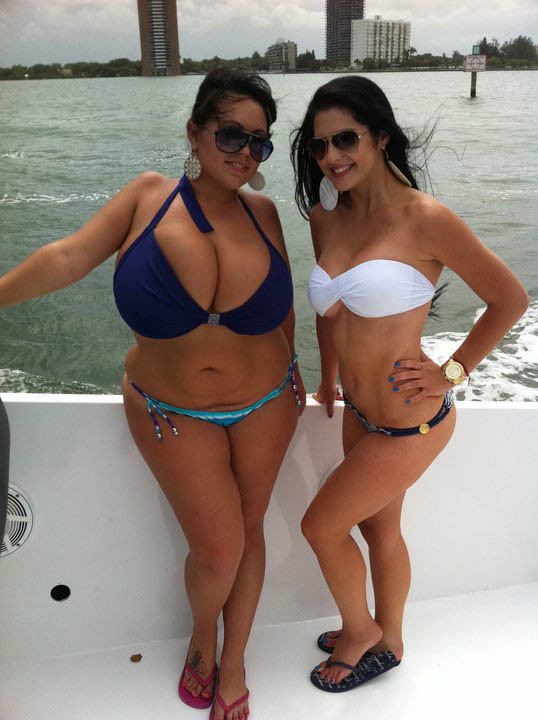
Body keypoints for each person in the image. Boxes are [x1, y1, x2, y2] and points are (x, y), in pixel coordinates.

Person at [0, 68, 305, 720]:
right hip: (172, 410)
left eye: (259, 143)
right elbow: (67, 258)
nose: (245, 153)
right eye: (231, 135)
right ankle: (203, 637)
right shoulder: (147, 197)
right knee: (218, 548)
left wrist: (300, 368)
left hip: (268, 400)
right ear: (195, 133)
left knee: (250, 532)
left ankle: (234, 660)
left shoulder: (265, 214)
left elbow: (283, 306)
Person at [290, 75, 528, 694]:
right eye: (319, 145)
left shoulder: (426, 220)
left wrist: (452, 371)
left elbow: (509, 299)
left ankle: (359, 630)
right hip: (360, 414)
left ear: (380, 137)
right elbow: (330, 310)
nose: (331, 156)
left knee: (320, 527)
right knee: (378, 529)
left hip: (410, 420)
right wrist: (327, 377)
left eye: (345, 139)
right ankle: (389, 639)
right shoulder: (328, 216)